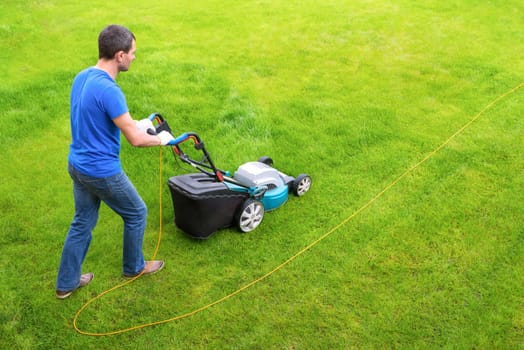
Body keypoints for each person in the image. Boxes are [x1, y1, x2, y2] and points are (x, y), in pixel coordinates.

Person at [56, 24, 174, 299]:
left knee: (82, 220)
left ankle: (66, 283)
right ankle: (134, 267)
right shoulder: (110, 90)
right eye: (132, 53)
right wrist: (162, 140)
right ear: (119, 55)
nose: (134, 57)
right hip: (100, 171)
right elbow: (134, 139)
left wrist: (141, 123)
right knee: (136, 212)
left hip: (77, 165)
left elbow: (106, 119)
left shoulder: (83, 77)